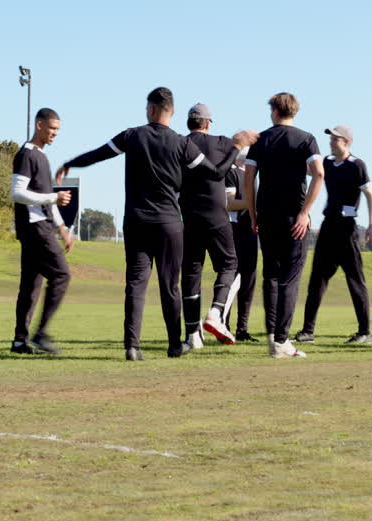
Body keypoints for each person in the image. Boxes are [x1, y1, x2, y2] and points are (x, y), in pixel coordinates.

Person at [56, 88, 255, 360]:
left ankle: (132, 346)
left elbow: (100, 154)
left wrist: (70, 163)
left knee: (136, 284)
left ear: (150, 110)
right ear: (171, 113)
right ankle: (175, 344)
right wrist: (235, 147)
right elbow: (218, 172)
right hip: (169, 224)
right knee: (169, 285)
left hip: (136, 221)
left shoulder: (132, 136)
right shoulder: (182, 144)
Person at [244, 92, 324, 359]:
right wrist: (305, 213)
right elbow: (319, 174)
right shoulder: (306, 139)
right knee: (290, 279)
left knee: (271, 276)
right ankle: (281, 341)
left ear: (274, 111)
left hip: (266, 216)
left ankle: (272, 337)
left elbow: (249, 179)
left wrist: (253, 215)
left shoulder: (260, 140)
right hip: (294, 219)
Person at [295, 125, 372, 345]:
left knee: (355, 280)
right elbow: (309, 170)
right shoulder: (328, 163)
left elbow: (370, 194)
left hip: (347, 229)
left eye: (336, 139)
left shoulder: (357, 165)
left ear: (347, 142)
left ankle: (364, 332)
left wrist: (371, 225)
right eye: (330, 139)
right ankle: (307, 331)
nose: (331, 142)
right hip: (328, 226)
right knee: (317, 280)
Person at [9, 107, 75, 355]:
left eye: (58, 130)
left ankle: (19, 341)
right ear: (39, 125)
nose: (55, 134)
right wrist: (53, 197)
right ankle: (40, 333)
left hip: (42, 226)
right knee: (61, 275)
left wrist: (62, 228)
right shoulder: (27, 154)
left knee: (31, 285)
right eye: (52, 128)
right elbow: (16, 193)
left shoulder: (42, 157)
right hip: (34, 227)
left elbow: (49, 200)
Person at [179, 103, 241, 348]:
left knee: (192, 271)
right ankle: (216, 313)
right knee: (229, 264)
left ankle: (193, 334)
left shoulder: (180, 144)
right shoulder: (222, 143)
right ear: (207, 123)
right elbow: (240, 158)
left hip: (188, 217)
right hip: (216, 216)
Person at [223, 151, 260, 342]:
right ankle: (224, 325)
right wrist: (253, 204)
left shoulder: (252, 176)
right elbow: (228, 203)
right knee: (231, 280)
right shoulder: (231, 172)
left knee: (249, 281)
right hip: (235, 231)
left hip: (251, 232)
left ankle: (242, 329)